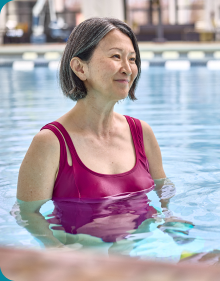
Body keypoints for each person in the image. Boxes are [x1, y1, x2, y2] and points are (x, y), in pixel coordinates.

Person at [14, 18, 167, 248]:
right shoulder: (51, 143)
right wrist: (59, 251)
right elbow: (27, 215)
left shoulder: (142, 133)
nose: (127, 68)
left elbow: (163, 189)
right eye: (116, 56)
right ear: (79, 67)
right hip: (83, 258)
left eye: (132, 59)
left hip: (139, 251)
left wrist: (169, 218)